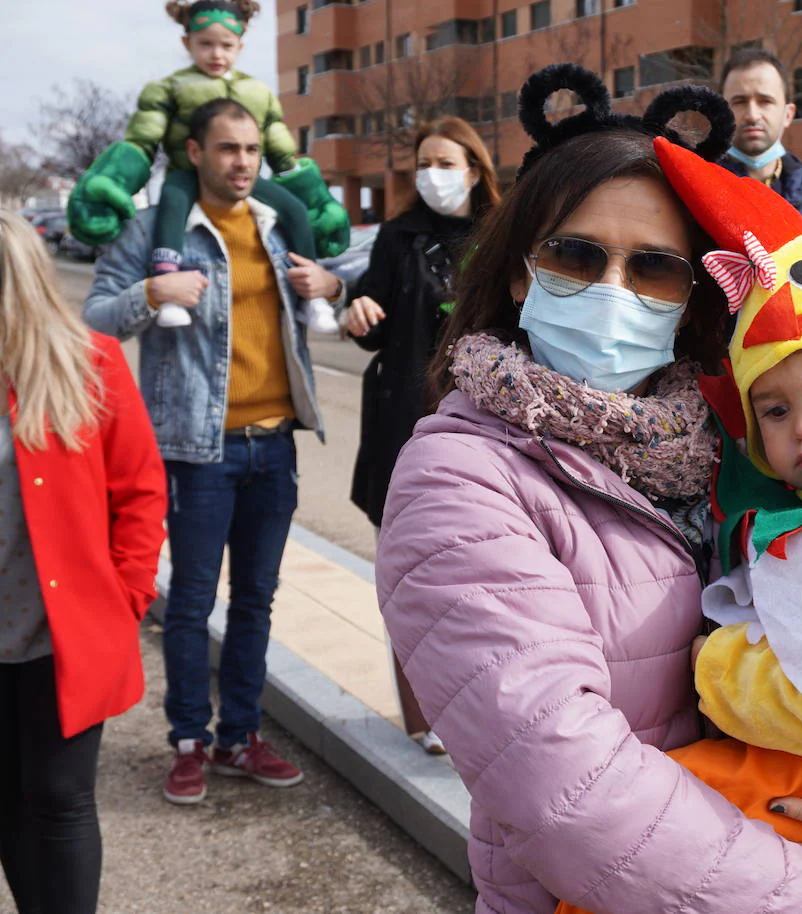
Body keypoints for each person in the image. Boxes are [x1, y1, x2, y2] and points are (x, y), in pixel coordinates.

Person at [376, 63, 802, 914]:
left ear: (691, 298)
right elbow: (576, 799)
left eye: (654, 268)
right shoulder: (460, 479)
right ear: (521, 273)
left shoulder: (756, 439)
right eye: (575, 254)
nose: (613, 289)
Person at [83, 97, 341, 806]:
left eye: (252, 150)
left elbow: (329, 297)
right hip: (199, 452)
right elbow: (94, 317)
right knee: (193, 603)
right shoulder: (156, 229)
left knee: (256, 600)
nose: (242, 163)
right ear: (195, 153)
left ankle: (241, 737)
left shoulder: (276, 221)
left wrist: (333, 285)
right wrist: (149, 290)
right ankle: (189, 742)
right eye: (228, 149)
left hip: (275, 447)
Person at [0, 210, 166, 913]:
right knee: (6, 798)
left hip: (59, 636)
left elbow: (141, 491)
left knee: (62, 799)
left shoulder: (87, 362)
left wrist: (123, 597)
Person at [338, 116, 501, 755]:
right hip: (400, 418)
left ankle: (484, 712)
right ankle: (425, 716)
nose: (433, 175)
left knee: (483, 576)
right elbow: (373, 320)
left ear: (475, 168)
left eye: (446, 162)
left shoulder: (502, 235)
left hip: (484, 426)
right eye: (423, 164)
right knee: (409, 577)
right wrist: (356, 311)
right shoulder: (398, 235)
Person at [66, 0, 347, 332]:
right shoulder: (168, 90)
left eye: (226, 46)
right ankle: (167, 280)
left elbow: (281, 150)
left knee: (295, 209)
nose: (217, 54)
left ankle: (311, 294)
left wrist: (314, 201)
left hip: (245, 186)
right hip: (184, 177)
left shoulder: (257, 93)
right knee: (172, 205)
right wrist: (112, 184)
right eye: (206, 44)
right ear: (187, 43)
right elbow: (142, 141)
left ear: (240, 46)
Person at [719, 48, 802, 239]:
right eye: (739, 102)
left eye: (765, 101)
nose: (752, 115)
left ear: (788, 114)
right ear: (721, 112)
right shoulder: (694, 192)